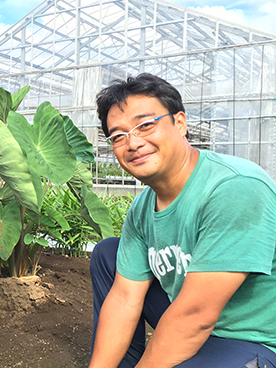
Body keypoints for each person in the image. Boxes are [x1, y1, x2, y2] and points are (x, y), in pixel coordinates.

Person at [88, 73, 276, 368]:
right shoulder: (142, 207)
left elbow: (195, 316)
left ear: (180, 123)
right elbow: (125, 298)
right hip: (190, 315)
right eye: (118, 136)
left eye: (145, 125)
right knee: (108, 254)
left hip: (252, 337)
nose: (133, 142)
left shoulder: (234, 187)